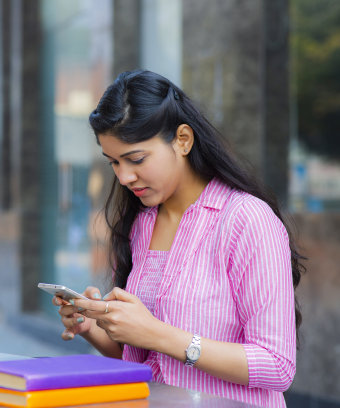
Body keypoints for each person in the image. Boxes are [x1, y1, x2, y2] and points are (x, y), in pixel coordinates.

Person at [53, 70, 304, 408]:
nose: (124, 177)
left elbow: (277, 365)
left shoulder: (246, 220)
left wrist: (156, 333)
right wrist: (93, 326)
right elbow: (142, 361)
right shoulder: (141, 224)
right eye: (113, 162)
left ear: (183, 140)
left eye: (136, 159)